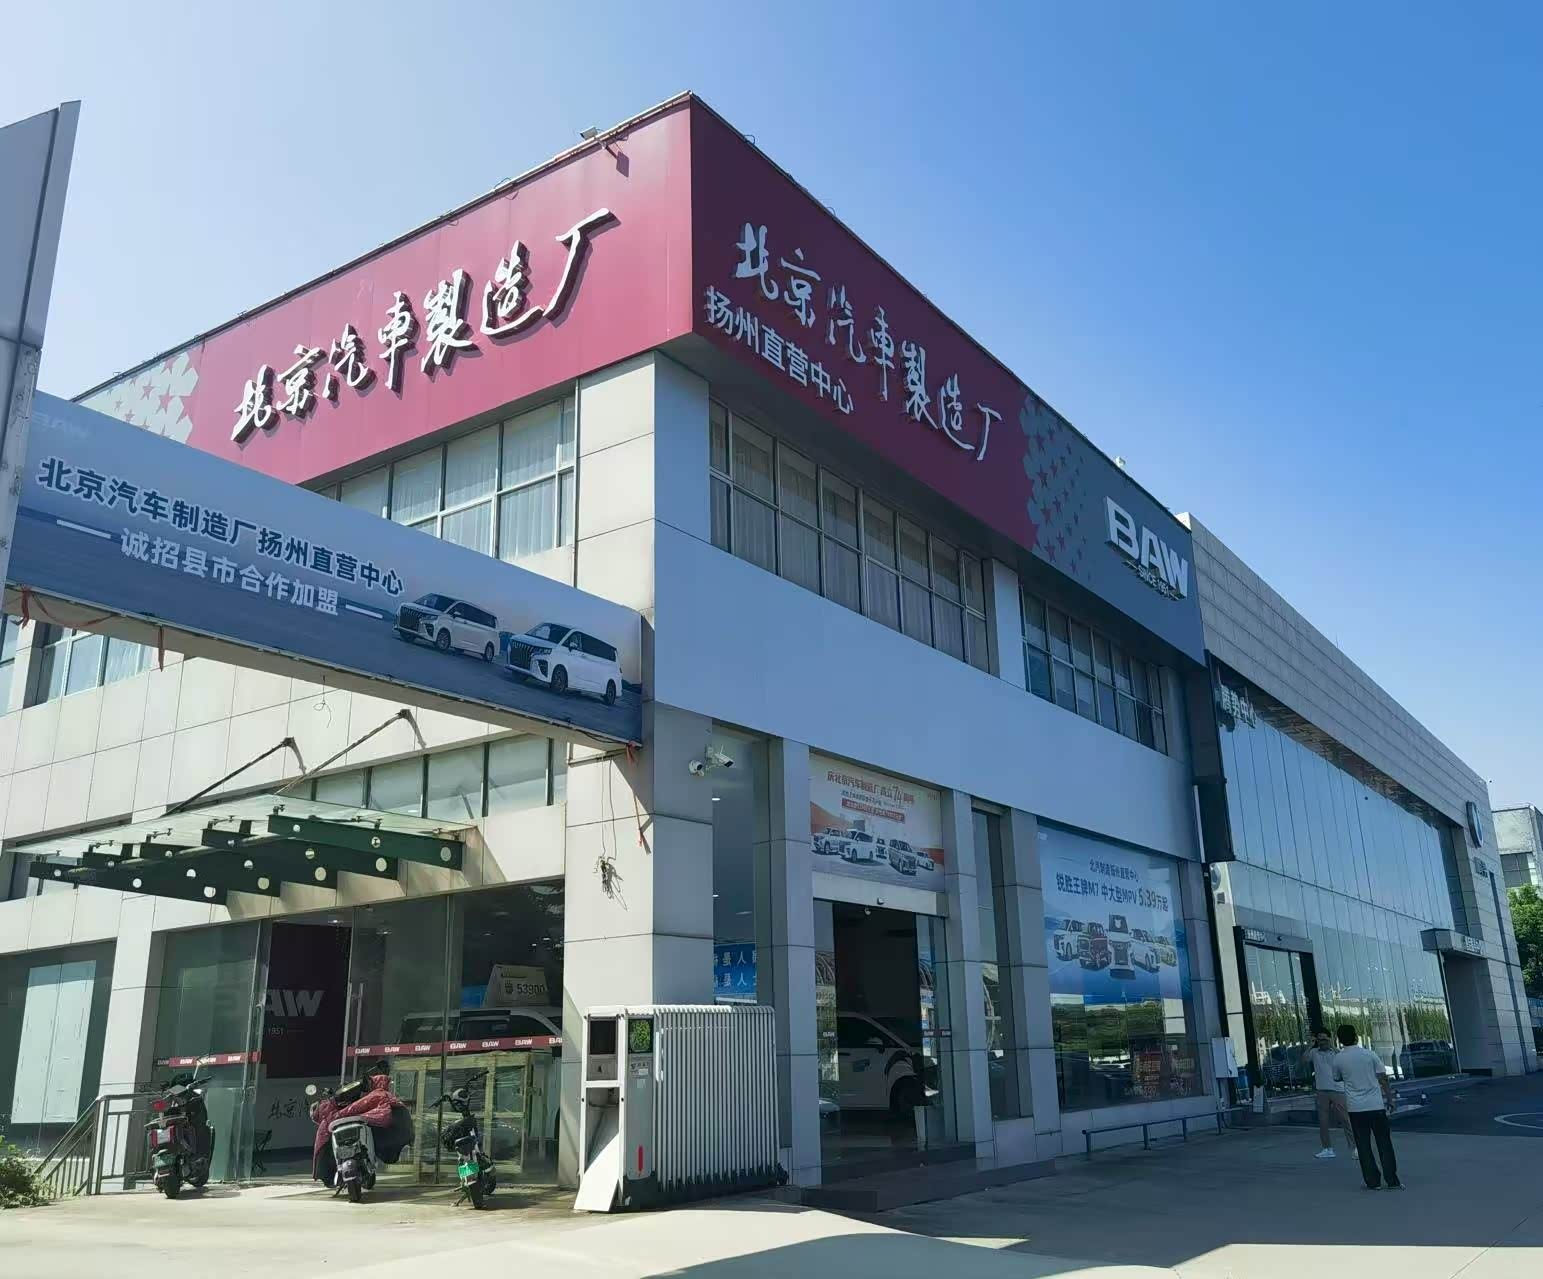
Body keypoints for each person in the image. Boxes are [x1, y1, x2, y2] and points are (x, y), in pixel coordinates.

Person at [1332, 1024, 1401, 1189]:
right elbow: (1383, 1078)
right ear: (1356, 1037)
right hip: (1375, 1105)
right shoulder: (1369, 1054)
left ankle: (1373, 1181)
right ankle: (1392, 1180)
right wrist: (1390, 1099)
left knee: (1363, 1145)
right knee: (1384, 1143)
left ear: (1340, 1040)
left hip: (1356, 1108)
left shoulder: (1338, 1059)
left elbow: (1336, 1078)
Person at [1307, 1028, 1354, 1159]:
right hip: (1322, 1090)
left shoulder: (1335, 1052)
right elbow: (1304, 1060)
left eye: (1324, 1039)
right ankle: (1327, 1148)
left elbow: (1344, 1058)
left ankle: (1354, 1147)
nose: (1322, 1042)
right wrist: (1311, 1045)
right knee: (1323, 1121)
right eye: (1319, 1039)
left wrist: (1331, 1045)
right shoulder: (1314, 1052)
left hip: (1337, 1089)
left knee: (1345, 1120)